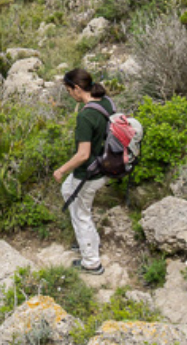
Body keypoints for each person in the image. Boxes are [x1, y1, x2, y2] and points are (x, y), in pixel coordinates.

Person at [52, 68, 112, 275]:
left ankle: (91, 262)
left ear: (77, 88)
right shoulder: (105, 102)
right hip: (104, 164)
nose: (70, 95)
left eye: (69, 91)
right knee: (68, 192)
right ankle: (88, 241)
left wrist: (61, 170)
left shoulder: (86, 116)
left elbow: (83, 154)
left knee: (81, 213)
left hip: (89, 172)